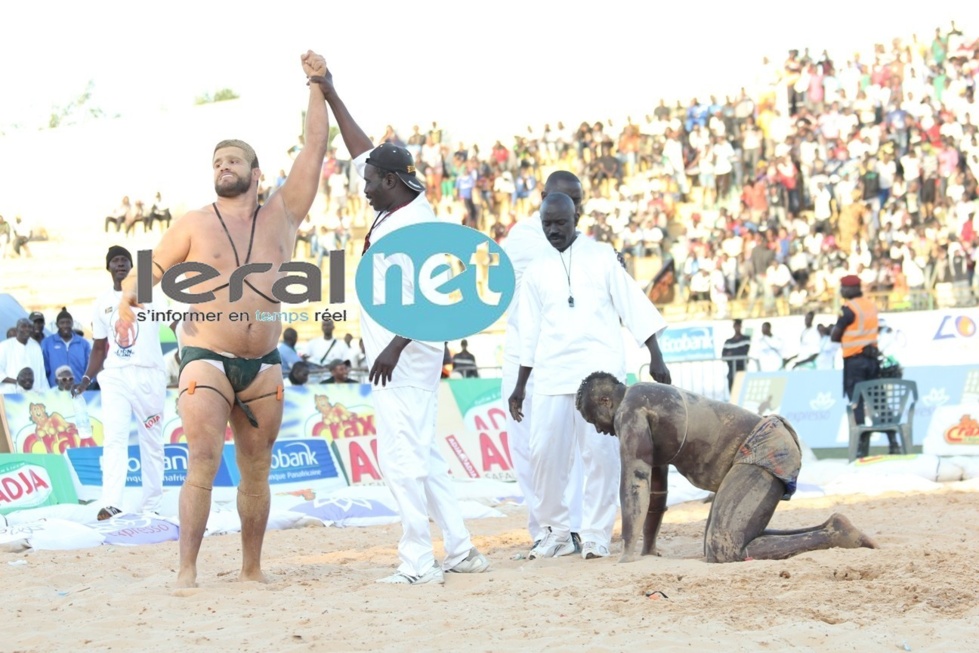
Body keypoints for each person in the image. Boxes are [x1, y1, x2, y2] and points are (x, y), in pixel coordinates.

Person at [115, 51, 332, 589]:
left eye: (233, 160)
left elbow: (315, 147)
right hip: (204, 358)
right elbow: (149, 270)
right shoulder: (194, 223)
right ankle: (187, 570)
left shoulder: (283, 214)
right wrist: (128, 298)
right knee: (203, 459)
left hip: (262, 364)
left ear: (256, 173)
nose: (223, 167)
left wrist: (316, 84)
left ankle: (251, 569)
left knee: (257, 469)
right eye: (216, 162)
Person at [312, 65, 489, 585]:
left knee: (400, 459)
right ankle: (459, 549)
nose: (361, 186)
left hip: (404, 359)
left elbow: (441, 299)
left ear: (390, 182)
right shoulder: (401, 204)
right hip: (401, 355)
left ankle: (417, 562)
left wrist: (392, 347)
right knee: (425, 455)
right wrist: (330, 91)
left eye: (369, 180)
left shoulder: (419, 225)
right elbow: (362, 148)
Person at [508, 192, 671, 561]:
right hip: (551, 374)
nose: (553, 230)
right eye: (547, 224)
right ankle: (557, 532)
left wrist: (655, 354)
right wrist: (520, 385)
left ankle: (597, 534)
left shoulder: (601, 257)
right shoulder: (536, 270)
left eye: (560, 223)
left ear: (576, 219)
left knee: (600, 456)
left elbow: (633, 304)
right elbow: (528, 331)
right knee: (543, 454)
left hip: (601, 380)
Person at [575, 373, 878, 562]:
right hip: (761, 447)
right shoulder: (643, 400)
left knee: (724, 550)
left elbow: (635, 480)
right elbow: (656, 487)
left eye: (594, 420)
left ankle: (830, 536)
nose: (599, 430)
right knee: (724, 541)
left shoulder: (629, 409)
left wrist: (628, 552)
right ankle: (829, 530)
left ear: (605, 401)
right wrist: (646, 547)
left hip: (761, 448)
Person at [501, 170, 590, 551]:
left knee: (574, 449)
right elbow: (564, 264)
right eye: (562, 198)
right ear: (543, 198)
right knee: (529, 450)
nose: (572, 206)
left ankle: (574, 528)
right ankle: (543, 529)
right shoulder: (525, 236)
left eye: (578, 200)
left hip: (567, 358)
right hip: (525, 358)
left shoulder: (583, 243)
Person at [74, 246, 168, 522]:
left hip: (149, 374)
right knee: (114, 438)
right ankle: (112, 503)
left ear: (131, 267)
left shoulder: (148, 296)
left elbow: (174, 325)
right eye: (115, 261)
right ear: (109, 268)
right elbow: (100, 347)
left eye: (124, 261)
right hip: (115, 376)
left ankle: (152, 504)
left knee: (151, 441)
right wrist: (86, 378)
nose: (120, 265)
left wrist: (190, 354)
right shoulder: (102, 301)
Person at [831, 274, 884, 456]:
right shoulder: (870, 305)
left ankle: (862, 447)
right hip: (872, 360)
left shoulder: (849, 309)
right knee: (878, 400)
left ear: (851, 289)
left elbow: (834, 336)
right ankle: (893, 441)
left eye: (844, 288)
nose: (842, 291)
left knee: (857, 402)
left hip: (855, 362)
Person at [41, 307, 91, 388]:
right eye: (62, 323)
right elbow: (44, 369)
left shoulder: (83, 343)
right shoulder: (47, 343)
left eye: (68, 322)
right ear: (57, 324)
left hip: (78, 389)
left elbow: (88, 367)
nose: (65, 325)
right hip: (55, 390)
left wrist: (86, 385)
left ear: (72, 323)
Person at [0, 318, 49, 393]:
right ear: (17, 329)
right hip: (10, 394)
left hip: (33, 393)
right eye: (23, 326)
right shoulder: (4, 346)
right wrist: (17, 382)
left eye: (29, 327)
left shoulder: (35, 347)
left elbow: (41, 373)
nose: (27, 329)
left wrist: (46, 393)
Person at [721, 319, 751, 392]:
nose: (737, 328)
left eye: (739, 326)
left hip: (741, 369)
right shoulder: (728, 341)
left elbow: (744, 352)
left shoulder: (746, 338)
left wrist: (731, 353)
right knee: (732, 391)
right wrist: (735, 352)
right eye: (736, 326)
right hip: (731, 370)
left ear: (741, 326)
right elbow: (723, 356)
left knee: (742, 390)